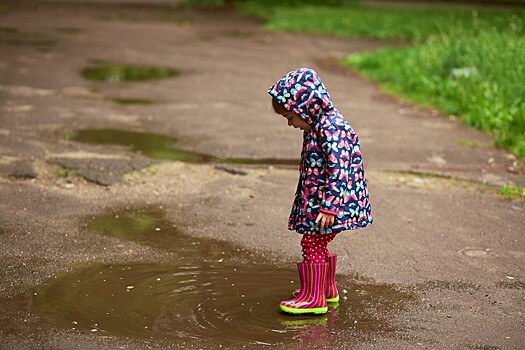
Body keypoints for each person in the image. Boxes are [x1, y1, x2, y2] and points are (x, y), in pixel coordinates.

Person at [267, 68, 373, 315]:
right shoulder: (318, 126)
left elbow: (340, 169)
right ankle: (325, 289)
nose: (291, 124)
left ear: (306, 108)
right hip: (325, 202)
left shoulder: (330, 128)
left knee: (311, 243)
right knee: (318, 244)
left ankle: (314, 299)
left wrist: (329, 206)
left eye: (291, 117)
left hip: (331, 205)